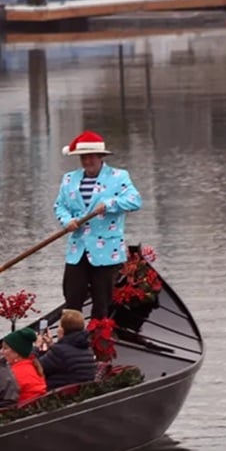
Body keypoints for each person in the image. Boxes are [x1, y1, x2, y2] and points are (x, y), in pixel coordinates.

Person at [55, 131, 142, 320]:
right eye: (83, 157)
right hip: (78, 250)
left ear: (101, 156)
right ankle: (72, 335)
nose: (87, 161)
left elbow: (135, 201)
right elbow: (60, 206)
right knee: (72, 299)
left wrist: (110, 204)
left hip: (107, 252)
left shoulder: (119, 177)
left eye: (91, 157)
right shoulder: (69, 179)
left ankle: (99, 334)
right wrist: (67, 221)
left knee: (102, 304)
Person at [38, 310, 97, 390]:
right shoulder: (88, 351)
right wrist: (52, 346)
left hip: (57, 395)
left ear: (62, 330)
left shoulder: (59, 351)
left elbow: (36, 368)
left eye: (59, 326)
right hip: (79, 394)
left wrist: (37, 347)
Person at [1, 327, 47, 404]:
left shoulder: (14, 373)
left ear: (17, 353)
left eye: (5, 348)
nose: (1, 352)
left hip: (23, 408)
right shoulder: (32, 364)